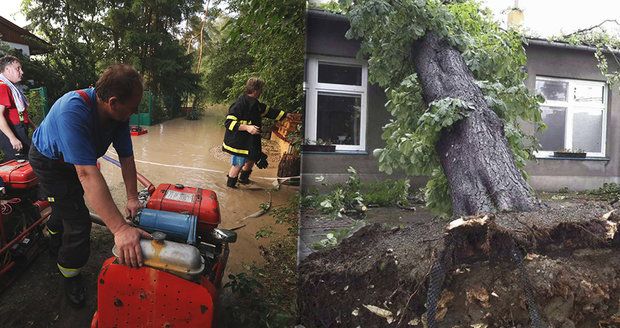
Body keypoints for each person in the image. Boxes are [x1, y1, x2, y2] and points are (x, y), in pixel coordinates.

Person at [29, 64, 151, 307]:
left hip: (75, 160)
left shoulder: (117, 116)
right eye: (133, 108)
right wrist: (120, 229)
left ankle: (54, 231)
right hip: (50, 163)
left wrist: (131, 198)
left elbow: (127, 158)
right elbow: (86, 173)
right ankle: (69, 274)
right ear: (113, 102)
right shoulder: (72, 111)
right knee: (78, 222)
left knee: (66, 205)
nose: (135, 113)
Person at [222, 77, 289, 188]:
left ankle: (243, 179)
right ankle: (231, 187)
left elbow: (268, 111)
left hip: (250, 141)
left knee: (252, 158)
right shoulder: (239, 104)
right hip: (239, 142)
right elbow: (229, 123)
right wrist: (247, 128)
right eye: (261, 90)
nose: (261, 92)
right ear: (256, 90)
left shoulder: (256, 104)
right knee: (238, 164)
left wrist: (285, 115)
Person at [0, 55, 36, 161]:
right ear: (7, 69)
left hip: (20, 128)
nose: (22, 72)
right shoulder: (3, 87)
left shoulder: (12, 87)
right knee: (21, 163)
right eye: (18, 69)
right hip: (12, 130)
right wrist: (12, 138)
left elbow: (20, 112)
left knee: (31, 159)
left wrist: (33, 126)